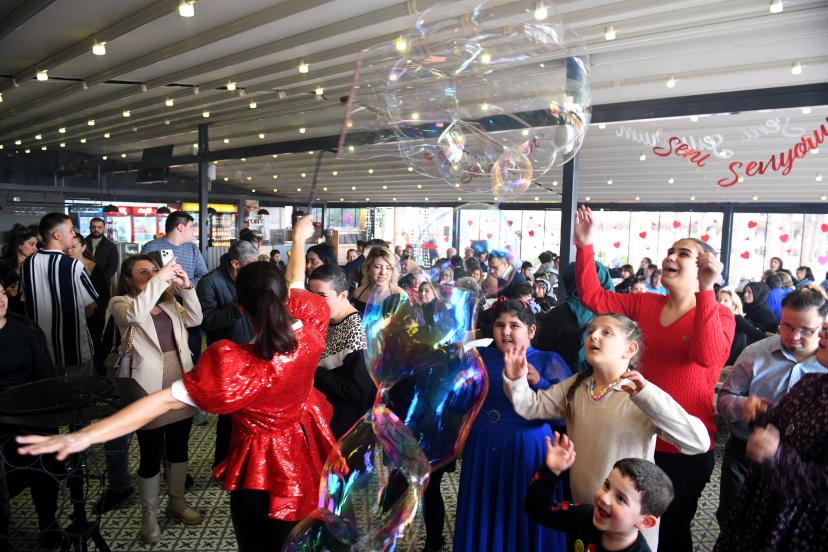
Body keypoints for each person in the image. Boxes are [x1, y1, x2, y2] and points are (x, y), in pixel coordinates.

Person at [18, 215, 337, 552]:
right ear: (284, 298)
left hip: (261, 470)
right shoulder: (310, 328)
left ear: (240, 308)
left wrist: (83, 436)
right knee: (298, 536)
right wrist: (298, 238)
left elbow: (161, 402)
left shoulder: (240, 366)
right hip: (305, 452)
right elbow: (295, 280)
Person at [572, 206, 733, 552]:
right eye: (670, 251)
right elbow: (593, 297)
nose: (670, 257)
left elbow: (706, 356)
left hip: (683, 445)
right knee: (627, 531)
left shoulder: (719, 314)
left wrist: (707, 290)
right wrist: (584, 245)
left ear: (705, 266)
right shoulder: (645, 304)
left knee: (671, 531)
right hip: (639, 440)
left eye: (683, 253)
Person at [505, 313, 710, 550]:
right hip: (587, 515)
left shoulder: (641, 395)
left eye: (606, 332)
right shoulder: (578, 386)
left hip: (628, 523)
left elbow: (698, 442)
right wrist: (515, 379)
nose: (594, 336)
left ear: (629, 349)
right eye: (591, 330)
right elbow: (531, 406)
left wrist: (648, 396)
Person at [454, 300, 571, 552]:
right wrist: (459, 383)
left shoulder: (547, 360)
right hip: (484, 443)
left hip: (529, 446)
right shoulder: (480, 358)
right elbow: (460, 405)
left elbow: (564, 415)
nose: (505, 331)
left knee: (524, 506)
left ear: (531, 330)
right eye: (499, 325)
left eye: (514, 325)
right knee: (486, 505)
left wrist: (539, 383)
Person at [109, 253, 203, 542]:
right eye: (143, 272)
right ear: (128, 279)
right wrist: (160, 279)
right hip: (146, 387)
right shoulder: (121, 303)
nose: (151, 276)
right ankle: (149, 515)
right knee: (150, 452)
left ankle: (177, 502)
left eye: (154, 270)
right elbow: (135, 317)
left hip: (179, 383)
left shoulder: (169, 302)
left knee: (178, 447)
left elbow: (196, 319)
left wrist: (186, 287)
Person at [715, 286, 827, 528]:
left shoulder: (823, 365)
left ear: (822, 325)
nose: (793, 335)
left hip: (800, 468)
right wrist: (742, 405)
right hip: (745, 453)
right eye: (787, 325)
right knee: (731, 519)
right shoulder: (756, 353)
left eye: (806, 330)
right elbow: (723, 399)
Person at [525, 434, 675, 552]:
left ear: (645, 522)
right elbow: (538, 509)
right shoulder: (583, 516)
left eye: (620, 498)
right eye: (607, 486)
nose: (604, 498)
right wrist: (552, 471)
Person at [0, 278, 63, 552]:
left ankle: (48, 521)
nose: (1, 299)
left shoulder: (25, 329)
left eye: (1, 292)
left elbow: (46, 376)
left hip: (29, 411)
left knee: (45, 458)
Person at [197, 240, 259, 469]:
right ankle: (223, 466)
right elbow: (207, 322)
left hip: (253, 353)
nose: (254, 271)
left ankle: (247, 464)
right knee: (228, 415)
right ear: (235, 264)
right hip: (226, 358)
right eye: (250, 266)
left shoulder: (252, 279)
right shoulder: (210, 282)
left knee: (251, 415)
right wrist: (235, 309)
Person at [142, 211, 208, 424]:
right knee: (162, 356)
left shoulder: (192, 249)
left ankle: (191, 404)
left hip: (186, 304)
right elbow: (142, 277)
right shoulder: (151, 247)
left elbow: (202, 275)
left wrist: (184, 286)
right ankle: (158, 404)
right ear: (181, 226)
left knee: (191, 355)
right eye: (191, 226)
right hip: (157, 306)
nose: (193, 230)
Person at [21, 213, 98, 375]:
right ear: (57, 235)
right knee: (80, 389)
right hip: (74, 350)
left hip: (41, 351)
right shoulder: (73, 265)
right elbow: (90, 308)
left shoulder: (28, 263)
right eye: (71, 230)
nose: (74, 234)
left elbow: (25, 301)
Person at [307, 264, 373, 439]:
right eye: (311, 295)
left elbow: (359, 390)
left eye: (322, 296)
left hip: (345, 425)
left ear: (343, 295)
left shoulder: (357, 331)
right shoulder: (326, 318)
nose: (314, 303)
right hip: (324, 412)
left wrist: (314, 372)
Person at [533, 260, 615, 371]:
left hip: (561, 377)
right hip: (602, 377)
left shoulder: (559, 314)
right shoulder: (616, 315)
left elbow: (540, 348)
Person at [66, 232, 110, 372]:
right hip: (72, 313)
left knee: (95, 342)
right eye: (68, 247)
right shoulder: (64, 266)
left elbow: (104, 294)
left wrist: (93, 305)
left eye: (74, 247)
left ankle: (98, 372)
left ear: (83, 247)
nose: (70, 250)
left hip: (93, 314)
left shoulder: (93, 267)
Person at [717, 289, 767, 365]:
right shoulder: (714, 318)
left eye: (725, 301)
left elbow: (757, 334)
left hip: (728, 363)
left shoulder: (737, 319)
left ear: (734, 307)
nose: (720, 303)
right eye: (718, 300)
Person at [351, 246, 404, 316]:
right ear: (368, 268)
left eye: (388, 268)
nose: (383, 272)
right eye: (378, 267)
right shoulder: (357, 293)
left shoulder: (400, 296)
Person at [0, 225, 38, 315]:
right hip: (8, 314)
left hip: (29, 314)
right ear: (19, 245)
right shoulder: (2, 265)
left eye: (36, 245)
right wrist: (6, 293)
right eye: (31, 244)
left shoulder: (34, 264)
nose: (36, 248)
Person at [84, 217, 119, 286]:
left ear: (104, 229)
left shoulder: (111, 246)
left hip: (103, 283)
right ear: (89, 228)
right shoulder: (82, 243)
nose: (96, 229)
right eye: (93, 227)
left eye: (99, 227)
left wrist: (101, 278)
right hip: (84, 281)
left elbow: (113, 266)